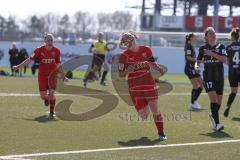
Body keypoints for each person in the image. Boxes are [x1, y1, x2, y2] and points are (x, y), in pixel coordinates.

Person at [118, 31, 167, 141]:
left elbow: (152, 63)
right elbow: (121, 74)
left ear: (134, 38)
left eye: (131, 37)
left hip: (148, 82)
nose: (130, 40)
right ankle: (145, 108)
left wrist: (159, 69)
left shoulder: (146, 50)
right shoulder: (123, 56)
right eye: (127, 39)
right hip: (134, 86)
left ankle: (161, 133)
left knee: (154, 108)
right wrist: (127, 70)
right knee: (144, 115)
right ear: (125, 43)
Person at [13, 33, 66, 119]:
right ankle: (46, 98)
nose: (50, 41)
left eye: (51, 40)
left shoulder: (57, 51)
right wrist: (18, 66)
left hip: (53, 75)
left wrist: (63, 76)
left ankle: (52, 112)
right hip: (42, 75)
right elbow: (29, 60)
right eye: (48, 40)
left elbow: (59, 64)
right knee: (43, 96)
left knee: (52, 94)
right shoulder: (39, 50)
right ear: (44, 41)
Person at [195, 27, 227, 131]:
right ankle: (217, 124)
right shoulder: (202, 48)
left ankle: (213, 114)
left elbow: (224, 59)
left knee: (218, 102)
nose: (213, 35)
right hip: (208, 77)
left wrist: (211, 53)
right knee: (213, 99)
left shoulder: (221, 46)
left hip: (219, 77)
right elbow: (198, 61)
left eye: (214, 33)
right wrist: (196, 66)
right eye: (210, 33)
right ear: (206, 37)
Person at [223, 27, 240, 117]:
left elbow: (226, 60)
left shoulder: (228, 47)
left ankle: (228, 107)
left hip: (232, 72)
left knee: (233, 91)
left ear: (232, 37)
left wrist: (231, 65)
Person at [184, 33, 203, 110]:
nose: (196, 38)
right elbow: (188, 58)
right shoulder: (188, 46)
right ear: (191, 38)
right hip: (189, 68)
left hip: (193, 68)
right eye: (195, 37)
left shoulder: (191, 46)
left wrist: (196, 66)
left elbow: (193, 59)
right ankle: (192, 104)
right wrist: (199, 60)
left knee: (202, 85)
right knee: (196, 86)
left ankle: (194, 101)